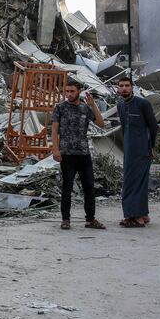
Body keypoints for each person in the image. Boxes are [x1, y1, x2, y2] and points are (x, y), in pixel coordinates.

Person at [51, 80, 106, 230]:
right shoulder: (60, 108)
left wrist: (93, 105)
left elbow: (101, 124)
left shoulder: (85, 108)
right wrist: (55, 149)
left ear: (79, 91)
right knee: (67, 187)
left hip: (83, 153)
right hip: (67, 154)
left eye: (72, 91)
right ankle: (65, 219)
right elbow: (54, 130)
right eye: (67, 91)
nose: (69, 94)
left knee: (89, 186)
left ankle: (90, 219)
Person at [116, 76, 158, 228]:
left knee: (138, 182)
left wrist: (152, 146)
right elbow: (123, 127)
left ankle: (135, 216)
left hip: (142, 149)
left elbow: (153, 126)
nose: (124, 88)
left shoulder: (143, 104)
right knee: (129, 181)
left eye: (127, 85)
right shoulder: (120, 105)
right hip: (129, 150)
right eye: (121, 86)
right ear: (118, 88)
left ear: (132, 87)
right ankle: (139, 214)